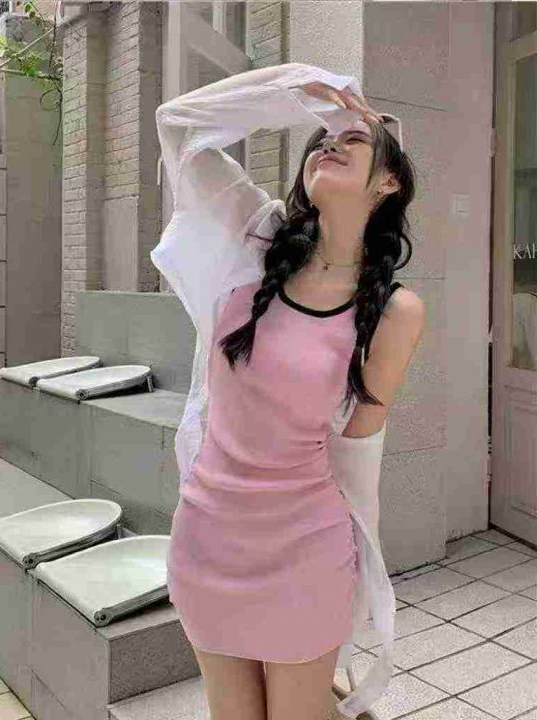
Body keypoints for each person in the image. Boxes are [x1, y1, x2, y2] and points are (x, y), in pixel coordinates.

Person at [151, 62, 426, 720]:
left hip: (305, 552)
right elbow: (177, 125)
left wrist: (363, 577)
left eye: (352, 138)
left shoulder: (395, 310)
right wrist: (290, 88)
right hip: (207, 538)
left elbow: (358, 454)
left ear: (389, 181)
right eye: (320, 138)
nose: (329, 142)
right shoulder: (255, 236)